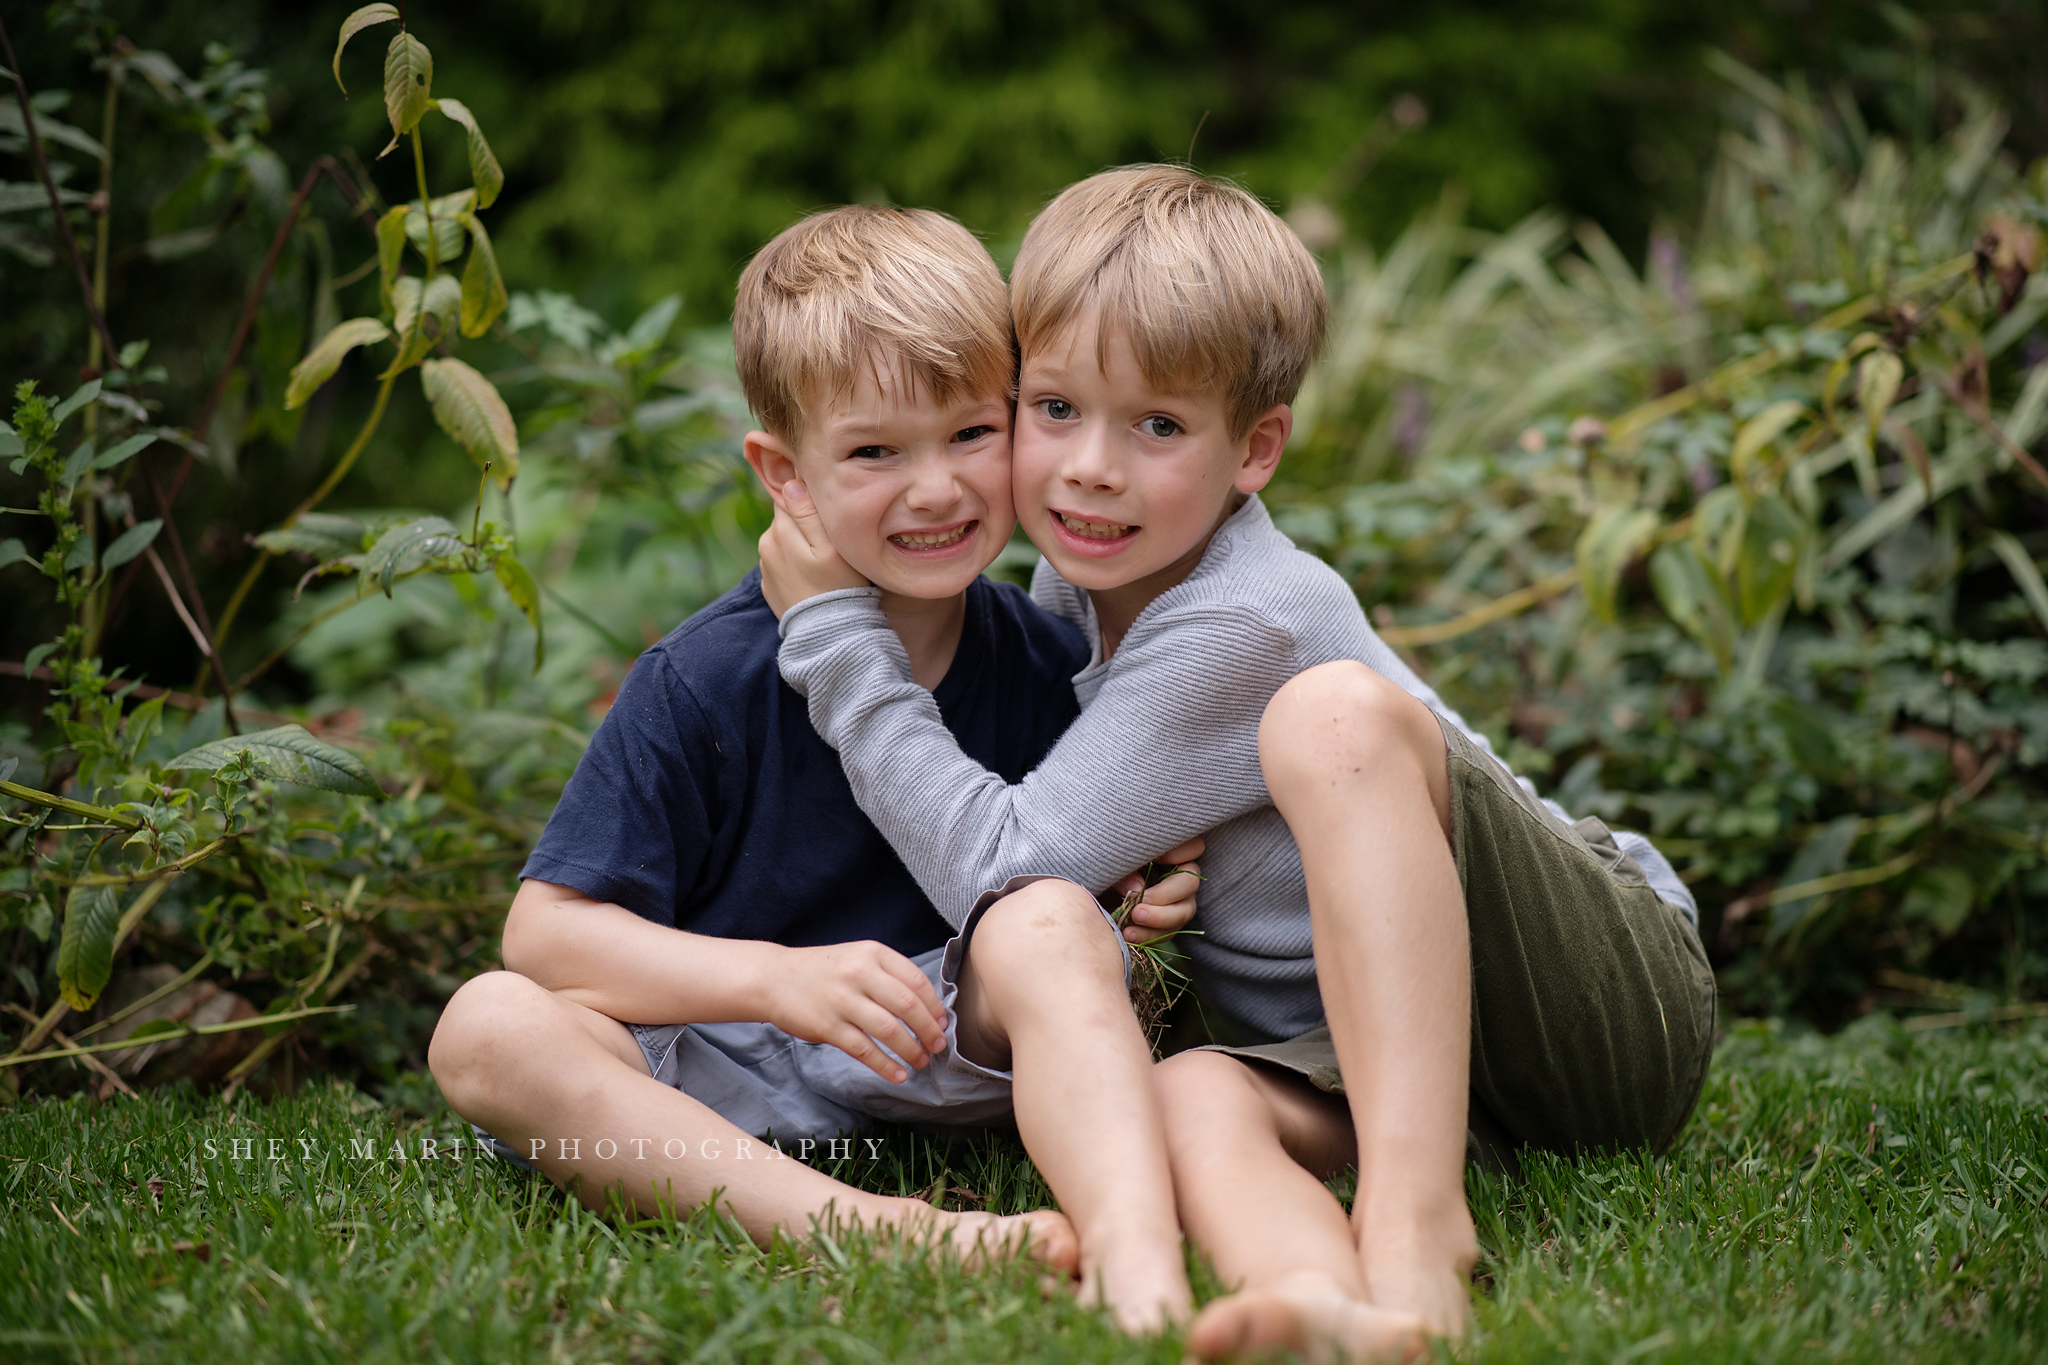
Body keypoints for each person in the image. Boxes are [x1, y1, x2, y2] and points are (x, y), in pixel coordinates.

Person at [760, 165, 1716, 1362]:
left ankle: (1416, 1230)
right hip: (1397, 1061)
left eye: (1156, 425)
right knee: (1191, 1098)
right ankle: (1321, 1307)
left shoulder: (1245, 617)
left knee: (1329, 717)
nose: (1089, 467)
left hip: (1599, 1000)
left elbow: (1005, 863)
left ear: (1254, 449)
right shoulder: (1088, 578)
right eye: (1053, 408)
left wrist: (834, 640)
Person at [427, 205, 1204, 1313]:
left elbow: (1085, 867)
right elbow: (544, 936)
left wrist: (1143, 867)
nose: (933, 488)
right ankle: (863, 1228)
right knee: (486, 1025)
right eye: (875, 451)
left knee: (1046, 921)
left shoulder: (1042, 657)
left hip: (937, 1034)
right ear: (784, 472)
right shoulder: (705, 679)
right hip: (717, 1057)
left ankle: (1133, 1251)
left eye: (970, 436)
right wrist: (774, 979)